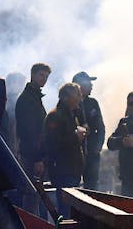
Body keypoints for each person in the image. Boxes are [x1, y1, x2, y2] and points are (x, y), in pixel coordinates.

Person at [44, 82, 86, 218]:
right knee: (66, 211)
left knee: (72, 211)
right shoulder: (55, 116)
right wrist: (75, 137)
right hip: (63, 170)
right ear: (67, 97)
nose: (80, 98)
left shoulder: (70, 115)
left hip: (71, 169)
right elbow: (52, 143)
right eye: (78, 95)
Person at [16, 63, 52, 180]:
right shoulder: (28, 99)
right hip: (31, 156)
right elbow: (31, 132)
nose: (44, 79)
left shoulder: (35, 98)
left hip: (33, 155)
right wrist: (38, 158)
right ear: (33, 75)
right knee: (32, 192)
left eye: (46, 76)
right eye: (41, 75)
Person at [73, 71, 105, 190]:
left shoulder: (93, 103)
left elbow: (101, 127)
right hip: (75, 154)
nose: (92, 86)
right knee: (73, 185)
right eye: (89, 83)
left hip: (92, 153)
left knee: (92, 186)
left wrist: (98, 146)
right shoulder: (69, 103)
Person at [3, 71, 27, 154]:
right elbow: (13, 124)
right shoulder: (15, 101)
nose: (22, 86)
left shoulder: (3, 98)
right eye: (21, 82)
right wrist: (14, 147)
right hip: (9, 143)